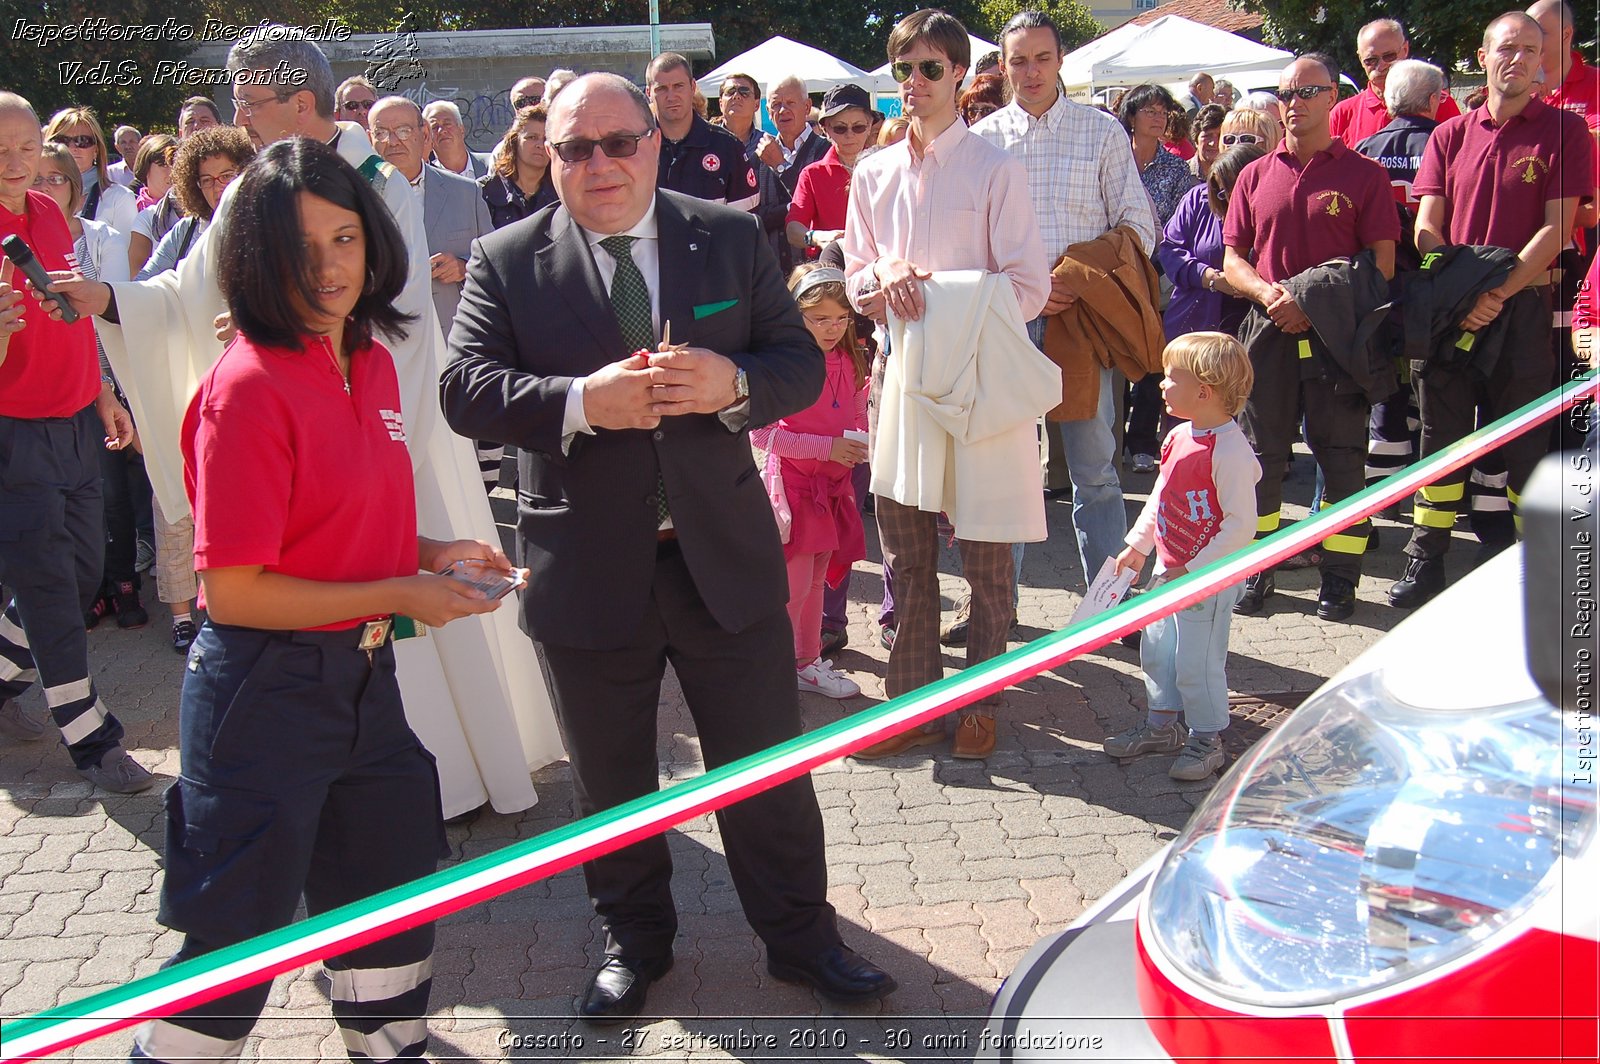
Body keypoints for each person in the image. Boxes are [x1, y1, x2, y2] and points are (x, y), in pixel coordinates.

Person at [440, 70, 895, 1019]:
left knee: (766, 767)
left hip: (719, 557)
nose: (599, 163)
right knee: (612, 781)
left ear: (655, 139)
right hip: (587, 567)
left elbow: (798, 360)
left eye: (618, 141)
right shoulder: (505, 257)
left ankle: (803, 940)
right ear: (546, 153)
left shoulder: (726, 236)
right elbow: (464, 389)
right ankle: (633, 942)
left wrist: (734, 384)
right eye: (574, 148)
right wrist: (575, 403)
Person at [49, 24, 564, 821]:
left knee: (412, 605)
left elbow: (399, 311)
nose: (240, 118)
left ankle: (446, 777)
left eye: (251, 102)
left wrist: (300, 343)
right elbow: (188, 291)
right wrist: (108, 300)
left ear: (299, 101)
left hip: (387, 429)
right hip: (284, 426)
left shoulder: (372, 178)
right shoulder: (261, 187)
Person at [129, 137, 510, 1064]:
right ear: (254, 261)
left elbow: (339, 522)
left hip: (363, 684)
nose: (330, 267)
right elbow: (235, 591)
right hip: (264, 692)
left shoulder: (372, 363)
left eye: (346, 238)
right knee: (236, 945)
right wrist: (407, 588)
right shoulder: (247, 388)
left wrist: (432, 553)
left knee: (386, 907)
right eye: (301, 247)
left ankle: (390, 1048)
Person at [847, 8, 1052, 760]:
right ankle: (911, 707)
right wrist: (881, 274)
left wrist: (935, 293)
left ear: (960, 75)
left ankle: (979, 701)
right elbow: (854, 277)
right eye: (906, 68)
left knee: (988, 556)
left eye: (931, 68)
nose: (916, 83)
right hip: (899, 381)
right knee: (906, 556)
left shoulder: (995, 169)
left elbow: (1030, 288)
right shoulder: (871, 172)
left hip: (981, 384)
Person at [1387, 12, 1593, 608]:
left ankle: (1534, 569)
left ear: (1543, 59)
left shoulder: (1563, 132)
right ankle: (1426, 558)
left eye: (1532, 50)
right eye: (1508, 48)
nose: (1520, 60)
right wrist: (1454, 281)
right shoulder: (1450, 136)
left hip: (1522, 310)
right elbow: (1427, 222)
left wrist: (1496, 292)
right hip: (1451, 311)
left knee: (1527, 443)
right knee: (1440, 440)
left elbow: (1557, 231)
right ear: (1482, 55)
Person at [970, 9, 1157, 642]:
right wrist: (1022, 284)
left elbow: (1139, 223)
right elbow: (969, 239)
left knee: (1096, 471)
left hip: (1080, 323)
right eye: (1017, 59)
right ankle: (997, 611)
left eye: (1041, 58)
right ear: (1002, 65)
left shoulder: (1102, 133)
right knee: (1007, 471)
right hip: (1007, 323)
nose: (1029, 71)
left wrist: (1070, 277)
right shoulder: (984, 138)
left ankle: (1112, 607)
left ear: (1060, 61)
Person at [0, 91, 149, 794]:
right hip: (12, 439)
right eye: (1, 151)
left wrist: (104, 393)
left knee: (83, 573)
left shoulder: (50, 214)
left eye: (26, 148)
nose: (15, 162)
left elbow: (71, 315)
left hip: (75, 425)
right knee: (53, 590)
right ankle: (93, 740)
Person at [1222, 54, 1399, 621]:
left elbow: (1384, 265)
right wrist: (1269, 297)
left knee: (1342, 459)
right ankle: (1258, 571)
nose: (1294, 103)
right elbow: (1233, 258)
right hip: (1267, 332)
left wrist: (1312, 301)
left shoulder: (1364, 176)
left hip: (1339, 340)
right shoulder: (1253, 174)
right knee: (1261, 459)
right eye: (1286, 94)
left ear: (1332, 98)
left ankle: (1341, 580)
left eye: (1307, 92)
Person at [1103, 332, 1260, 780]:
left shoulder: (1229, 450)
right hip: (1167, 571)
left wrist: (1193, 571)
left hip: (1204, 580)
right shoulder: (1176, 436)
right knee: (1158, 651)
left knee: (1198, 661)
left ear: (1204, 391)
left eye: (1172, 378)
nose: (1162, 385)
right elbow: (1162, 496)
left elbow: (1240, 525)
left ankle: (1207, 738)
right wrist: (1138, 546)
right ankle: (1161, 727)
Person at [135, 126, 257, 654]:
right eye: (206, 180)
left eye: (228, 175)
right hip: (201, 392)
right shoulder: (185, 235)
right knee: (192, 510)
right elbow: (148, 294)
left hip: (259, 394)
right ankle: (198, 613)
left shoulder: (265, 224)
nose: (217, 188)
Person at [34, 143, 146, 632]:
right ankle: (82, 591)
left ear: (76, 190)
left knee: (109, 492)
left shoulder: (99, 238)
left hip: (99, 381)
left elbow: (114, 306)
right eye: (34, 179)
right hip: (39, 396)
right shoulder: (16, 240)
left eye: (54, 179)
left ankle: (122, 583)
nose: (42, 188)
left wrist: (104, 385)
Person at [751, 265, 869, 700]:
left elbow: (857, 416)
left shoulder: (853, 358)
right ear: (795, 314)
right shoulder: (784, 365)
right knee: (793, 586)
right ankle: (777, 667)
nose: (832, 328)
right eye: (820, 318)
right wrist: (827, 448)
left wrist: (861, 442)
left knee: (817, 579)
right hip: (794, 489)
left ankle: (806, 661)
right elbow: (761, 433)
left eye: (841, 318)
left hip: (833, 489)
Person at [1119, 83, 1199, 473]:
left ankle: (1141, 442)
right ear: (1131, 116)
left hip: (1160, 270)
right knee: (1116, 356)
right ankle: (1114, 439)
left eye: (1162, 111)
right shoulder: (1113, 159)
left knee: (1154, 357)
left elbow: (1184, 222)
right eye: (1148, 110)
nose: (1157, 117)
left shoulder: (1176, 167)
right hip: (1117, 267)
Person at [368, 96, 494, 333]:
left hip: (453, 337)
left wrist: (462, 267)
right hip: (385, 338)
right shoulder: (356, 198)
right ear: (369, 138)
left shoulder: (466, 193)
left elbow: (494, 268)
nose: (393, 141)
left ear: (425, 134)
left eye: (403, 131)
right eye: (382, 132)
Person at [1157, 143, 1263, 341]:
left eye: (1233, 187)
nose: (1229, 197)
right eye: (1222, 191)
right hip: (1197, 326)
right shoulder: (1198, 200)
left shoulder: (1277, 210)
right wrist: (1210, 278)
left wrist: (1250, 284)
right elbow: (1170, 249)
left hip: (1257, 327)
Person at [647, 52, 759, 211]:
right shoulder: (635, 147)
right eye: (662, 89)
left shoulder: (728, 147)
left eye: (678, 86)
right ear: (648, 93)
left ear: (693, 87)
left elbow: (746, 224)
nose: (671, 96)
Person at [1329, 18, 1462, 143]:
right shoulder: (1343, 114)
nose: (1381, 66)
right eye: (1370, 60)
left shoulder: (1438, 102)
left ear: (1405, 50)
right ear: (1360, 59)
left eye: (1389, 56)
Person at [713, 73, 794, 274]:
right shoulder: (705, 145)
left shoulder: (770, 147)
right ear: (720, 103)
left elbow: (777, 204)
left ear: (757, 104)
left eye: (744, 92)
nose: (737, 96)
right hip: (712, 250)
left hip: (759, 253)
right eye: (730, 92)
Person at [786, 84, 875, 256]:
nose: (850, 135)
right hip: (832, 266)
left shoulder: (888, 167)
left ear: (870, 125)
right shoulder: (812, 174)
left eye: (858, 127)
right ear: (826, 129)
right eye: (840, 128)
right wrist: (816, 237)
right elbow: (793, 229)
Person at [42, 107, 138, 236]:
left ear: (96, 150)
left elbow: (128, 254)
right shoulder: (30, 196)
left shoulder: (119, 198)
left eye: (82, 141)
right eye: (61, 141)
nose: (71, 148)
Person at [481, 103, 558, 228]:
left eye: (546, 139)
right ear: (514, 141)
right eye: (532, 137)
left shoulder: (561, 194)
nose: (540, 144)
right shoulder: (485, 192)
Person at [1529, 0, 1599, 122]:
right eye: (1526, 34)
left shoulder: (1595, 82)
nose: (1529, 42)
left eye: (1540, 33)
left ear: (1565, 35)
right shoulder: (1514, 85)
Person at [767, 75, 831, 199]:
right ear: (768, 112)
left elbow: (820, 202)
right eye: (776, 104)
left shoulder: (827, 152)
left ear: (807, 107)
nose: (782, 110)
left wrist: (780, 166)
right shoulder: (761, 157)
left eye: (790, 103)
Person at [126, 135, 181, 274]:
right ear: (146, 167)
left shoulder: (192, 211)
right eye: (164, 165)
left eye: (176, 163)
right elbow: (135, 274)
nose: (172, 171)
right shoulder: (129, 206)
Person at [424, 100, 492, 179]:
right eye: (434, 127)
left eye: (447, 124)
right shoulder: (428, 178)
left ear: (462, 129)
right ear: (428, 137)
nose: (442, 131)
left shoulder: (492, 164)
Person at [1189, 103, 1226, 179]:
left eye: (1220, 136)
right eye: (1207, 136)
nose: (1213, 143)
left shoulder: (1234, 176)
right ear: (1196, 141)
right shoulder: (1181, 174)